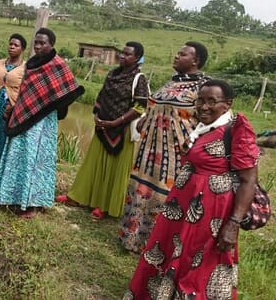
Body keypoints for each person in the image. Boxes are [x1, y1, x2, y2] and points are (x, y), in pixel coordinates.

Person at [123, 79, 260, 300]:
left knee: (200, 261)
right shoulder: (203, 127)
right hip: (183, 206)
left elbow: (248, 181)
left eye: (212, 101)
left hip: (212, 213)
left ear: (227, 104)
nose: (204, 106)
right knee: (174, 253)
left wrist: (233, 224)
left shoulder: (236, 130)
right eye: (200, 100)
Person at [119, 41, 210, 253]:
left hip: (174, 156)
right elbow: (152, 106)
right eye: (178, 52)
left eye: (183, 54)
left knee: (166, 196)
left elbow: (207, 120)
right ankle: (132, 238)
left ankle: (155, 244)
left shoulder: (203, 88)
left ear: (195, 61)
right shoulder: (170, 83)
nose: (176, 56)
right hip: (148, 153)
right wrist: (144, 120)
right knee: (140, 190)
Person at [0, 28, 84, 218]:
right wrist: (15, 109)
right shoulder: (31, 64)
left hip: (44, 121)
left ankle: (33, 203)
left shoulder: (58, 64)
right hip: (25, 115)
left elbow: (67, 89)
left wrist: (50, 104)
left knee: (37, 160)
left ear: (52, 45)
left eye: (43, 43)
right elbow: (26, 92)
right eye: (37, 43)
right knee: (21, 154)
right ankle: (15, 196)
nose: (39, 46)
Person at [56, 42, 149, 219]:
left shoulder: (139, 78)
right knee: (92, 163)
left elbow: (140, 106)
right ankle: (77, 197)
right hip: (102, 127)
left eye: (128, 54)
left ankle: (104, 206)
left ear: (137, 58)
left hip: (122, 131)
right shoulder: (113, 74)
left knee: (114, 169)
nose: (123, 56)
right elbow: (101, 96)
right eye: (122, 53)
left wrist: (116, 122)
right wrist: (97, 115)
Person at [0, 33, 26, 178]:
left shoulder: (25, 68)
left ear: (22, 49)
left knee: (1, 139)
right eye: (10, 44)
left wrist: (14, 106)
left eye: (16, 45)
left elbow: (24, 90)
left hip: (10, 108)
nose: (12, 47)